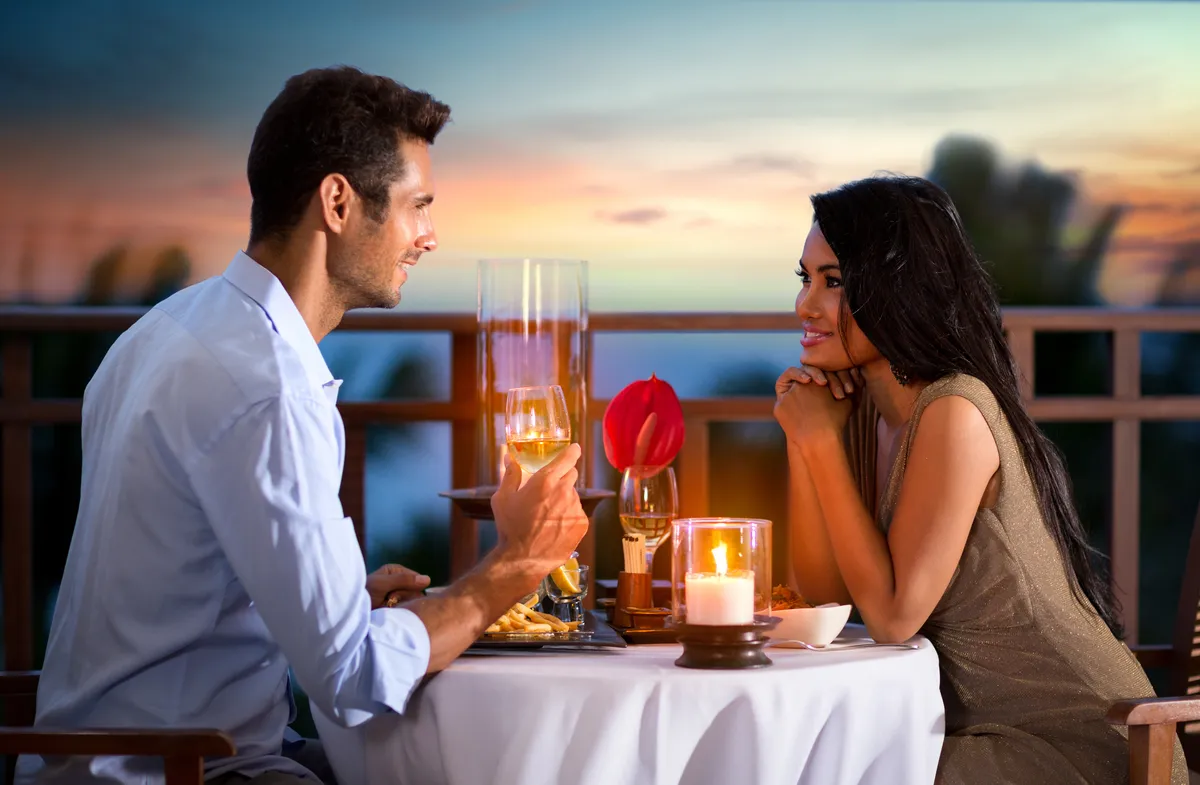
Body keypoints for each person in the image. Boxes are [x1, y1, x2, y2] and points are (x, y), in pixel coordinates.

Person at [19, 66, 589, 785]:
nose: (430, 235)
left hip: (108, 757)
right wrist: (513, 567)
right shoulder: (267, 386)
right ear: (339, 202)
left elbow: (192, 580)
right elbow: (352, 678)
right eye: (418, 205)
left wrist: (344, 598)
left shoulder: (162, 332)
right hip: (177, 770)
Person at [773, 174, 1186, 784]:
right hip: (966, 733)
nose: (806, 304)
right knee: (810, 758)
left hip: (1079, 750)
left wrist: (818, 443)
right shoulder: (861, 411)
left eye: (834, 281)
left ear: (898, 289)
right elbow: (823, 595)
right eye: (806, 278)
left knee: (825, 766)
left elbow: (890, 620)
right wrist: (806, 443)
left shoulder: (955, 411)